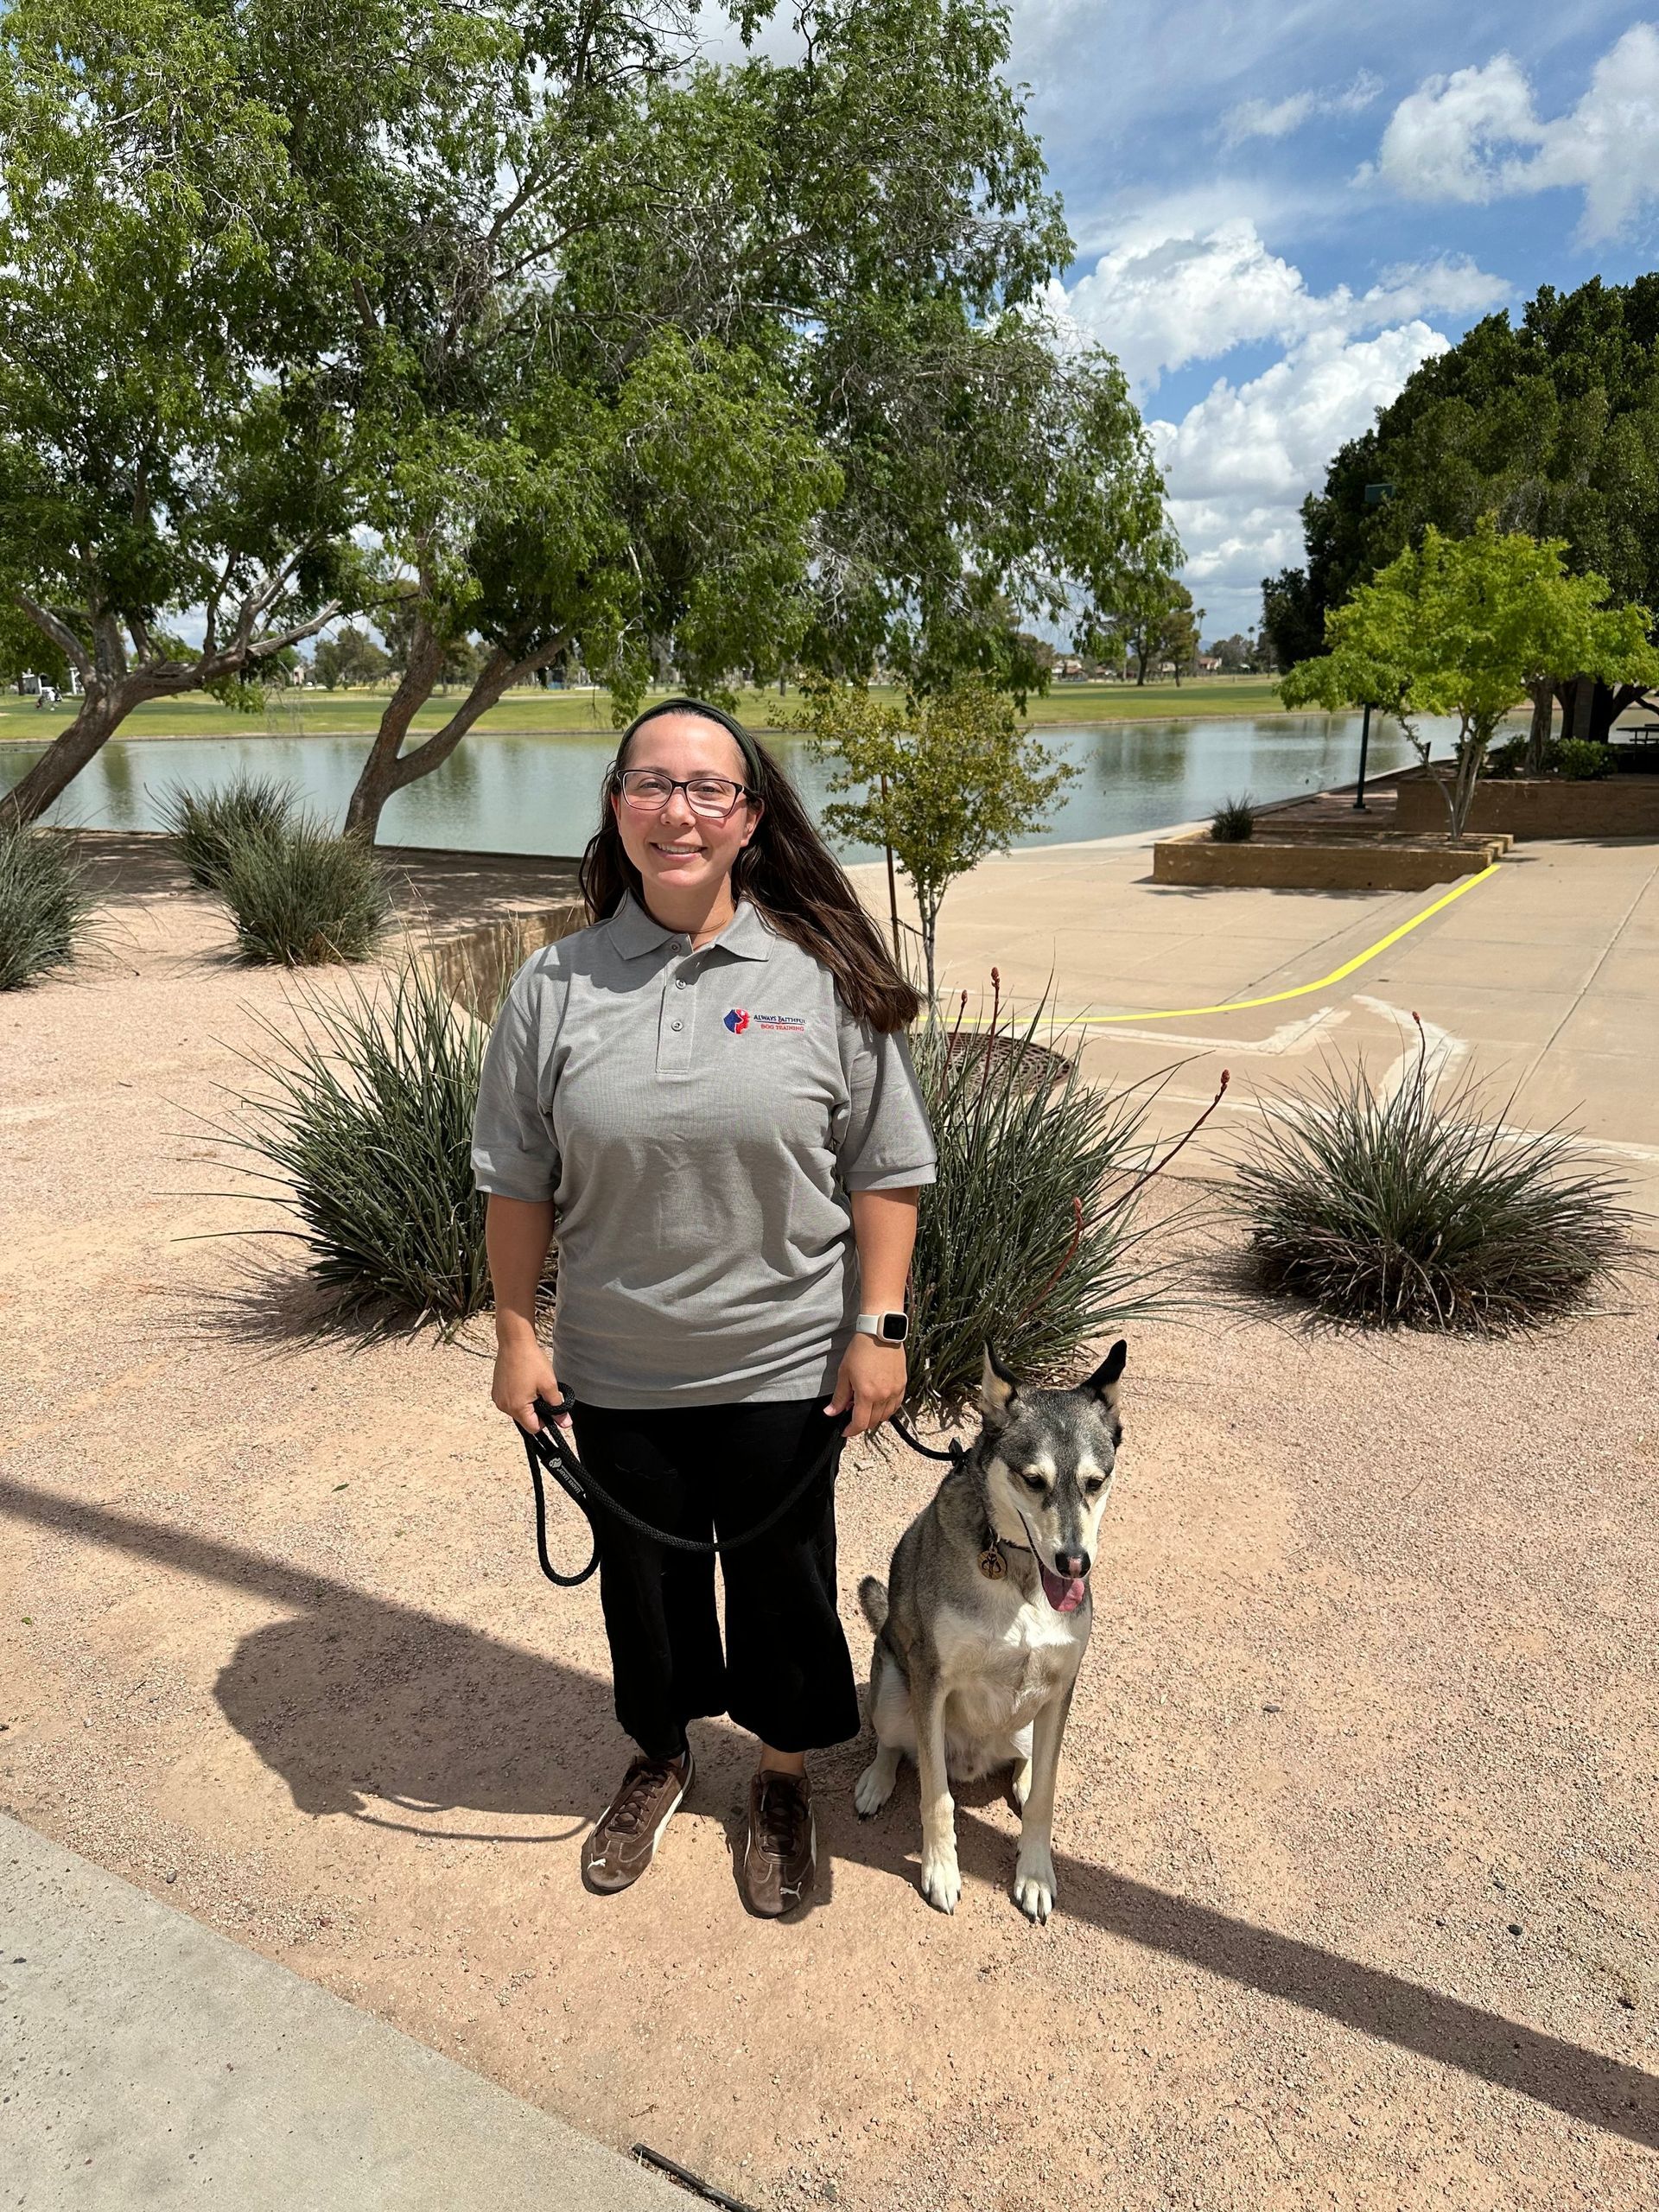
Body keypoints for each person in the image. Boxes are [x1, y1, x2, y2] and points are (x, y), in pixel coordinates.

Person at [472, 698, 935, 1915]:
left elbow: (888, 1167)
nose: (677, 810)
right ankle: (664, 1752)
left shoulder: (819, 979)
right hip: (616, 1368)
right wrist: (518, 1336)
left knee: (783, 1588)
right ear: (618, 804)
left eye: (706, 790)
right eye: (650, 783)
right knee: (647, 1589)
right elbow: (516, 1180)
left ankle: (780, 1777)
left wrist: (879, 1328)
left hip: (784, 1365)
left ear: (749, 817)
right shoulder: (554, 986)